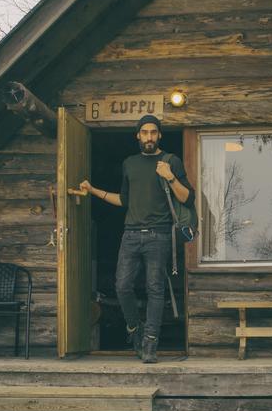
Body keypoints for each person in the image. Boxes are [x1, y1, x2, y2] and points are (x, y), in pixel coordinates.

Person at [79, 114, 194, 363]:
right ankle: (135, 330)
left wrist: (170, 176)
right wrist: (92, 191)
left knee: (155, 289)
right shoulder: (129, 163)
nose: (149, 137)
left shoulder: (170, 161)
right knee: (122, 286)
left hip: (159, 235)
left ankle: (151, 342)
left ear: (159, 135)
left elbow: (187, 198)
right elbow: (124, 200)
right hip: (130, 235)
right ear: (138, 136)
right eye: (145, 133)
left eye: (154, 132)